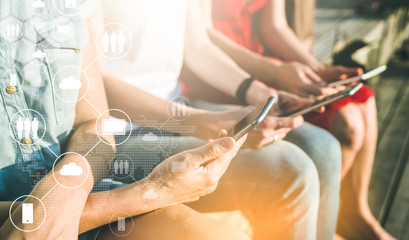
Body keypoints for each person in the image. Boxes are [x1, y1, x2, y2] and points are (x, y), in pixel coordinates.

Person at [0, 1, 246, 239]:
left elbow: (92, 121)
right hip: (122, 143)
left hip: (78, 190)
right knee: (280, 166)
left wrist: (66, 185)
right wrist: (151, 191)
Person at [99, 0, 342, 239]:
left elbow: (198, 46)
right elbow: (95, 85)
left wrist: (262, 94)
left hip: (177, 105)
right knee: (293, 172)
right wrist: (202, 121)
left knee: (322, 147)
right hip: (112, 135)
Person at [181, 0, 395, 239]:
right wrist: (271, 75)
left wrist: (316, 73)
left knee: (362, 98)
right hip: (223, 71)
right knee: (346, 127)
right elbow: (203, 39)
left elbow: (275, 26)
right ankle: (332, 220)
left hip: (256, 66)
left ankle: (356, 212)